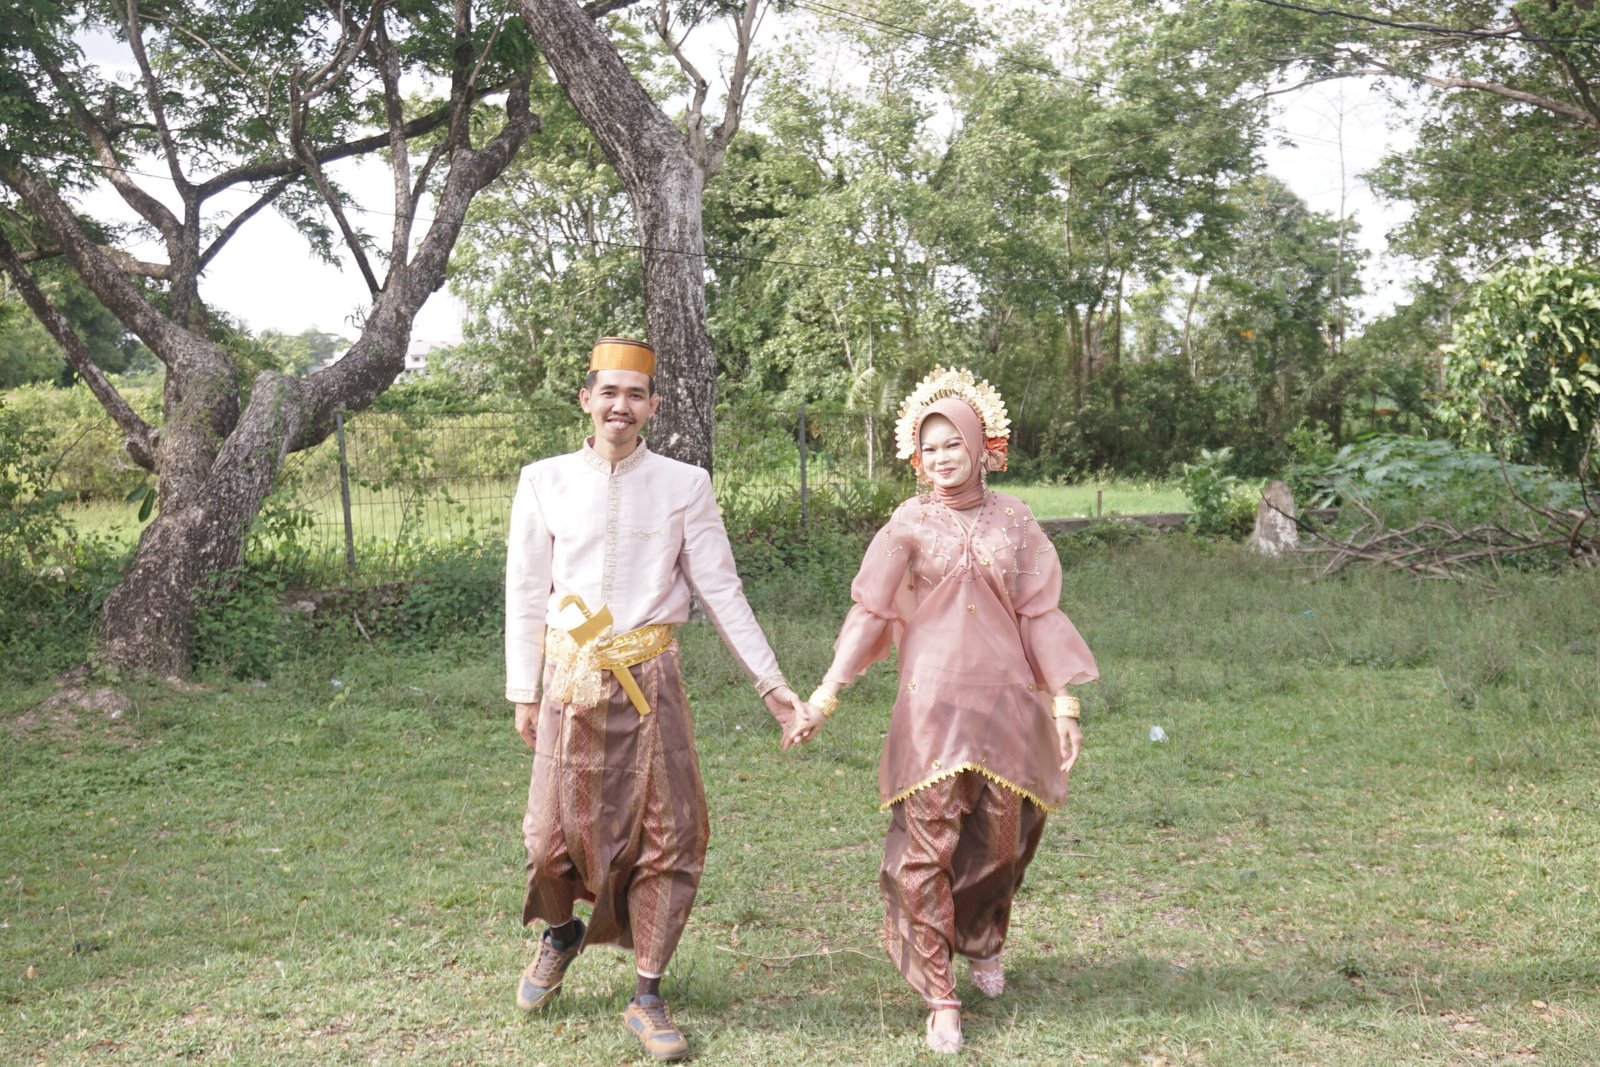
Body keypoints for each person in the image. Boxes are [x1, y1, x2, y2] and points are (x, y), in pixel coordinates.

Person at [505, 336, 809, 1062]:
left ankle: (647, 993)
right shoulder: (544, 480)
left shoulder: (684, 484)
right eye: (609, 392)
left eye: (635, 394)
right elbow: (526, 588)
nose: (621, 405)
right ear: (586, 399)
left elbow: (721, 588)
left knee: (671, 835)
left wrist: (772, 686)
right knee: (546, 839)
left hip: (652, 680)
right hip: (569, 679)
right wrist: (523, 689)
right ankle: (560, 934)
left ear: (653, 406)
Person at [791, 366, 1098, 1054]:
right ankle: (940, 994)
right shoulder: (908, 522)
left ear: (982, 445)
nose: (940, 458)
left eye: (952, 443)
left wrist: (1064, 702)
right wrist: (826, 694)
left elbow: (1040, 613)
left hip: (1008, 707)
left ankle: (982, 938)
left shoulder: (1016, 519)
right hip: (930, 709)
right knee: (925, 852)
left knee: (1002, 842)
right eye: (928, 448)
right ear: (916, 457)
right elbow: (871, 612)